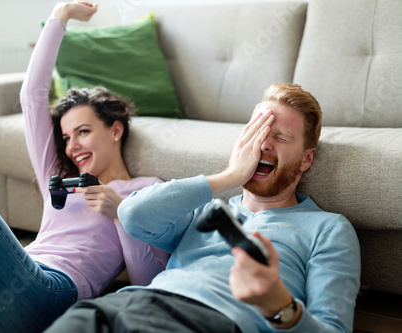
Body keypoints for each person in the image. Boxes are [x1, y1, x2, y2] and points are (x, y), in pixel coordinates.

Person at [0, 2, 168, 332]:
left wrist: (120, 212)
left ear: (115, 129)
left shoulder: (146, 189)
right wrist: (61, 14)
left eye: (83, 132)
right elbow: (32, 95)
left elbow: (148, 284)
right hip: (11, 275)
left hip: (49, 292)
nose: (73, 146)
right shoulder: (58, 177)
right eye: (67, 137)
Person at [45, 83, 361, 333]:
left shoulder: (328, 228)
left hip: (210, 321)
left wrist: (280, 307)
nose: (263, 145)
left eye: (279, 137)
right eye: (257, 133)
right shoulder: (203, 208)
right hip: (124, 305)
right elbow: (132, 213)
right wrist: (230, 176)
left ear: (307, 158)